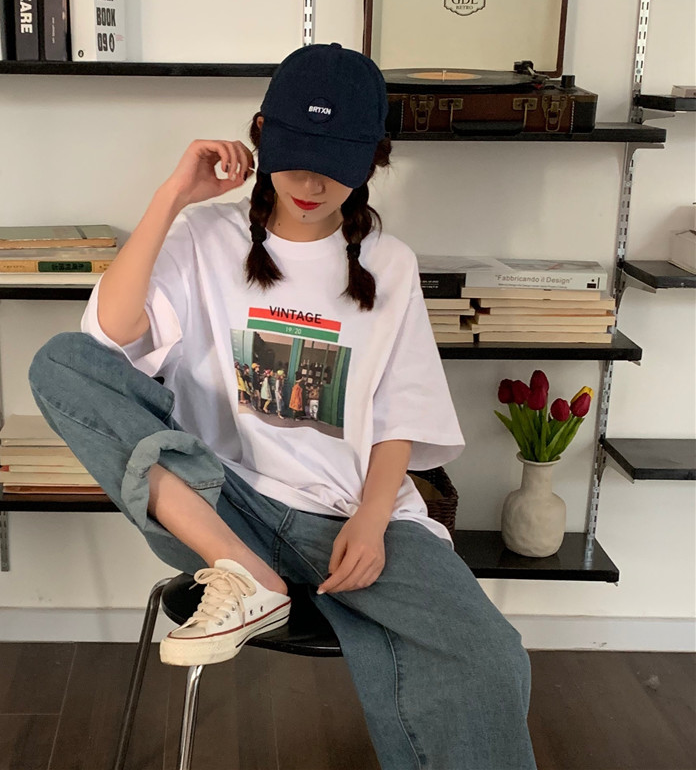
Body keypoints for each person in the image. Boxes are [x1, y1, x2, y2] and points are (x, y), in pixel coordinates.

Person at [28, 42, 536, 770]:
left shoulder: (389, 263)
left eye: (334, 161)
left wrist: (372, 520)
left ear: (372, 158)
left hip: (348, 522)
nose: (310, 181)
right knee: (61, 361)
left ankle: (267, 579)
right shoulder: (205, 237)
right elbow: (108, 335)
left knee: (491, 656)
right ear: (262, 136)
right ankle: (248, 578)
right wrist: (172, 197)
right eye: (295, 156)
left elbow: (402, 410)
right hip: (224, 510)